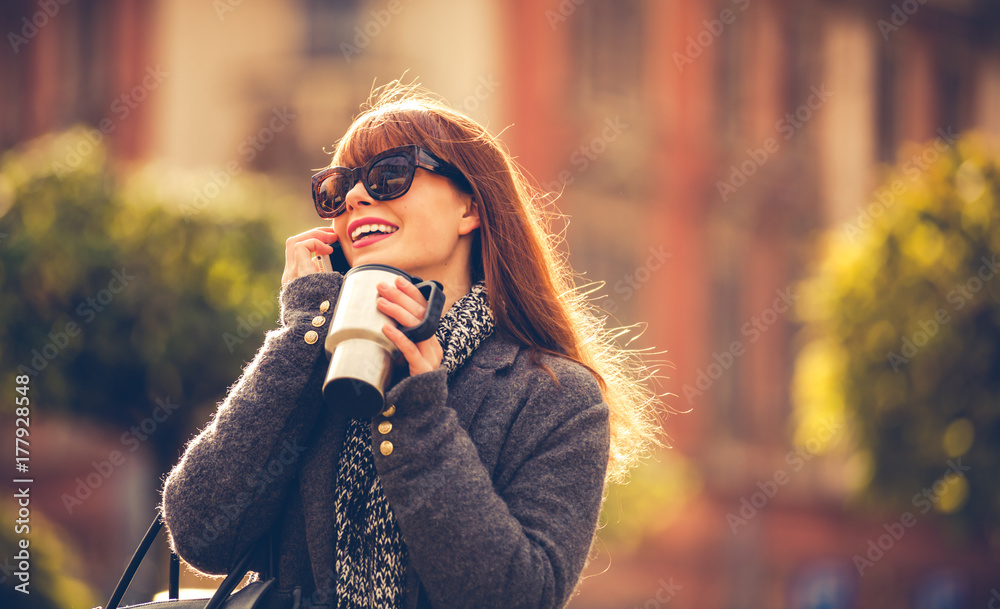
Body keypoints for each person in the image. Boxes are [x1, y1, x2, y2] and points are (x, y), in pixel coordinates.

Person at [161, 83, 659, 609]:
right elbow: (201, 533)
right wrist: (302, 332)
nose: (354, 197)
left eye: (389, 174)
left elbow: (517, 597)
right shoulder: (309, 366)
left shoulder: (555, 394)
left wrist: (419, 414)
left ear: (470, 208)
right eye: (338, 188)